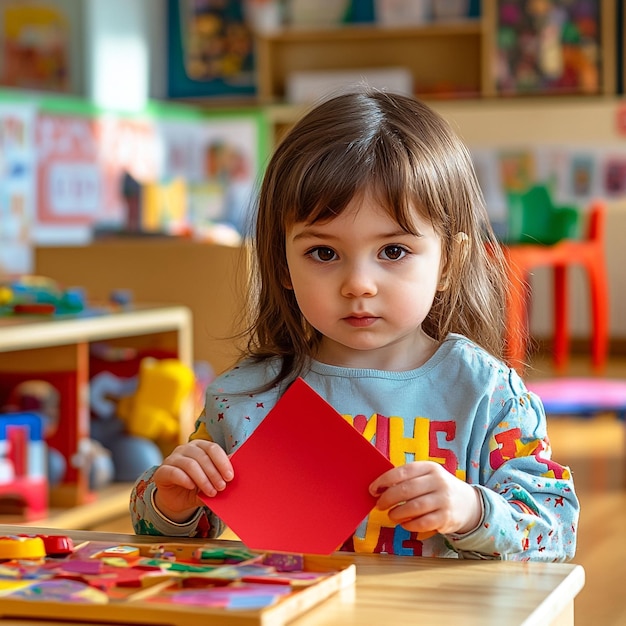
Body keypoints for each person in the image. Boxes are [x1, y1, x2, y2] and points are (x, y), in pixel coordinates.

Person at [130, 89, 579, 561]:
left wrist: (472, 510)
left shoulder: (488, 395)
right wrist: (171, 502)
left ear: (449, 261)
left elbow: (556, 529)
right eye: (323, 253)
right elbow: (167, 529)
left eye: (393, 251)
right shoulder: (246, 398)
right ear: (283, 265)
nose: (358, 284)